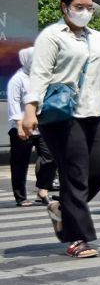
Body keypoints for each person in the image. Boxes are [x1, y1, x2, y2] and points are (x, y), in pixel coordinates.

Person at [22, 0, 100, 258]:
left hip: (96, 113)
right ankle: (77, 239)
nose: (85, 12)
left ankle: (61, 209)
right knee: (76, 174)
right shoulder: (52, 37)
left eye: (89, 8)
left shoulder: (98, 39)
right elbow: (40, 74)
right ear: (65, 7)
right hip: (62, 116)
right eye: (79, 7)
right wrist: (30, 109)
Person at [7, 47, 57, 207]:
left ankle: (43, 189)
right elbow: (14, 104)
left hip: (42, 126)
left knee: (51, 156)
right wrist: (19, 126)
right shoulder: (18, 79)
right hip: (21, 126)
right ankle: (20, 197)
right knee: (20, 163)